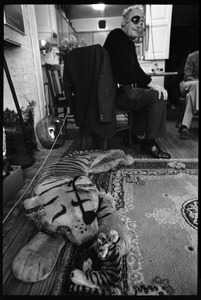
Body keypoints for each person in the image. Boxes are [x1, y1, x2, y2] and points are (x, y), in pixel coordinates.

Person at [103, 5, 171, 159]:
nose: (140, 24)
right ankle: (149, 143)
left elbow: (131, 70)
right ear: (124, 22)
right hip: (117, 93)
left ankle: (132, 135)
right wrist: (153, 85)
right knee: (158, 96)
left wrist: (147, 85)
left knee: (145, 95)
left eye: (142, 22)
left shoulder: (126, 42)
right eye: (136, 19)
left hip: (120, 92)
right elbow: (131, 68)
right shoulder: (117, 35)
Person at [179, 50, 199, 139]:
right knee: (197, 85)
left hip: (193, 92)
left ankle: (185, 127)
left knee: (189, 96)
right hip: (188, 84)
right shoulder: (192, 56)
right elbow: (188, 76)